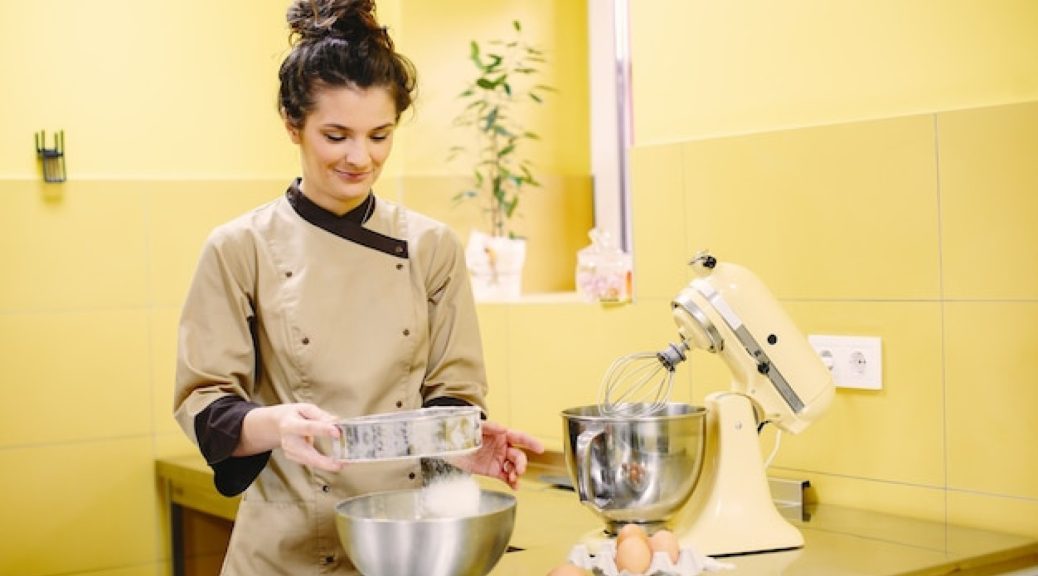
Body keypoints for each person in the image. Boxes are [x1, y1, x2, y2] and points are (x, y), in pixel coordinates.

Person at [173, 0, 544, 573]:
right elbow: (205, 404)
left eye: (379, 135)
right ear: (293, 125)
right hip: (286, 548)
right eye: (336, 135)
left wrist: (460, 445)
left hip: (407, 542)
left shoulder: (431, 247)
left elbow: (454, 390)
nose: (360, 157)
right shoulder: (239, 246)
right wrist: (277, 425)